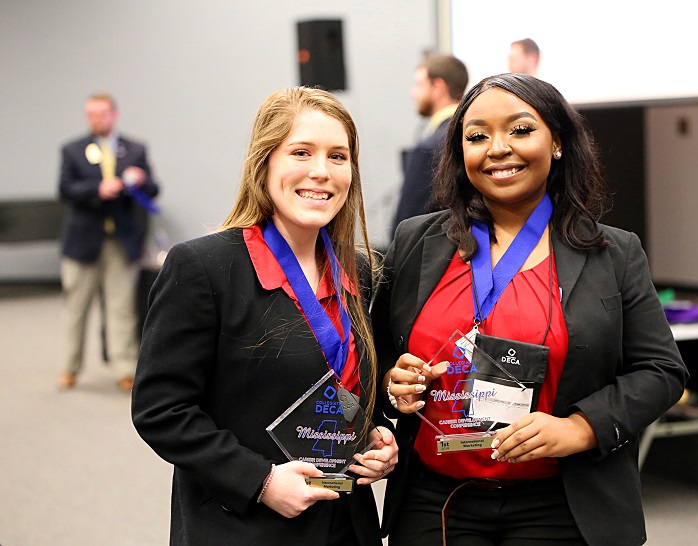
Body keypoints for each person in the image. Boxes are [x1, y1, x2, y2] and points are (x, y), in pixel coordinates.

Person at [372, 74, 688, 545]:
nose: (498, 148)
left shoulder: (613, 254)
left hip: (561, 499)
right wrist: (390, 382)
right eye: (477, 137)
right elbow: (375, 354)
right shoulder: (416, 242)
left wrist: (580, 428)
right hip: (435, 500)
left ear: (557, 142)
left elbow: (662, 371)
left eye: (520, 130)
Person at [131, 88, 398, 545]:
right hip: (245, 527)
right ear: (265, 162)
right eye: (301, 152)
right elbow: (161, 410)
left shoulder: (358, 271)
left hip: (345, 525)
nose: (321, 171)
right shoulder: (204, 267)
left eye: (338, 156)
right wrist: (261, 481)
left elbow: (343, 389)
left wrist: (376, 436)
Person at [57, 93, 160, 392]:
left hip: (121, 243)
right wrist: (97, 189)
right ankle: (70, 367)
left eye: (102, 114)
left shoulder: (135, 149)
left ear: (114, 114)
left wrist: (140, 180)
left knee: (122, 308)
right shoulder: (73, 150)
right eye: (92, 114)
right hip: (82, 243)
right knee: (76, 307)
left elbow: (154, 189)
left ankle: (124, 369)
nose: (97, 119)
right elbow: (65, 189)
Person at [392, 54, 468, 233]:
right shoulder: (474, 139)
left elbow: (406, 224)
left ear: (438, 87)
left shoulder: (429, 148)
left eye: (419, 85)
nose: (413, 93)